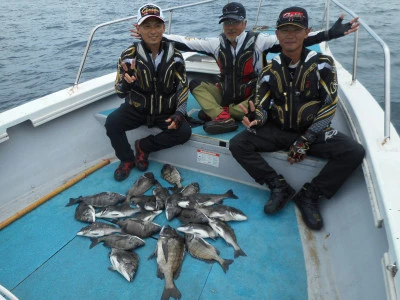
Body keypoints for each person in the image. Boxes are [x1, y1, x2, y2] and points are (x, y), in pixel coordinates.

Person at [229, 6, 365, 230]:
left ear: (306, 32)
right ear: (278, 34)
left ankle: (310, 194)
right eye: (284, 30)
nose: (290, 34)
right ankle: (278, 185)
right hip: (278, 129)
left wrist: (306, 139)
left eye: (296, 29)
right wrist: (256, 119)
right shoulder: (269, 70)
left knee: (353, 151)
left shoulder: (323, 64)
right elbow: (261, 106)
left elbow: (330, 104)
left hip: (312, 131)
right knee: (238, 143)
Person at [130, 2, 360, 134]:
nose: (231, 27)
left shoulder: (262, 41)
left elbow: (298, 40)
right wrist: (156, 34)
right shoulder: (214, 43)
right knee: (196, 84)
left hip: (252, 97)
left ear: (245, 24)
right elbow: (184, 41)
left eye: (235, 22)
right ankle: (223, 116)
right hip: (227, 94)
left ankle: (219, 115)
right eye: (227, 22)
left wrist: (330, 33)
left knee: (252, 108)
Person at [105, 3, 191, 181]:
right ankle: (127, 160)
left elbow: (183, 87)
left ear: (164, 28)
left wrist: (179, 114)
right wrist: (126, 83)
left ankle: (144, 146)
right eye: (147, 26)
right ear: (138, 28)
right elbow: (119, 91)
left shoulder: (176, 56)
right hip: (137, 109)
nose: (153, 31)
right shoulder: (128, 55)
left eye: (157, 26)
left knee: (184, 132)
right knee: (112, 122)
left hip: (164, 112)